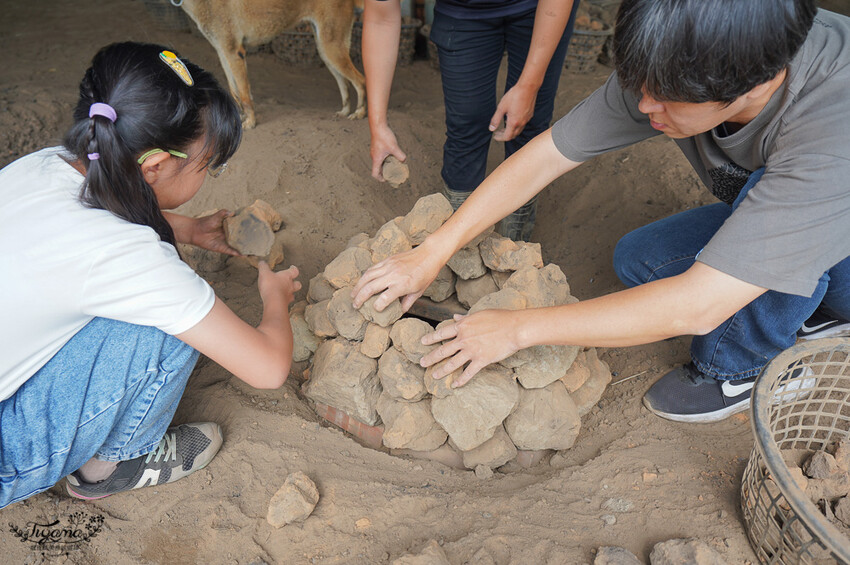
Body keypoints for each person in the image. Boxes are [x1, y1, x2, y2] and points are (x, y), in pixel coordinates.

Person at [352, 0, 850, 424]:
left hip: (838, 222)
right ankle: (812, 307)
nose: (646, 107)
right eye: (641, 87)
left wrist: (516, 329)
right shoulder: (679, 61)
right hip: (803, 206)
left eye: (667, 101)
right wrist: (435, 248)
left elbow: (698, 304)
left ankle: (742, 371)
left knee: (768, 206)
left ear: (752, 87)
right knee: (642, 260)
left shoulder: (830, 131)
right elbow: (549, 154)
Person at [0, 42, 301, 508]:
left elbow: (103, 208)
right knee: (173, 318)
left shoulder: (44, 164)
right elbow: (269, 368)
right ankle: (109, 467)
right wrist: (275, 297)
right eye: (208, 166)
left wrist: (188, 228)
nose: (209, 175)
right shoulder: (126, 257)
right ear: (156, 166)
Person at [362, 0, 578, 241]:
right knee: (466, 125)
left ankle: (514, 249)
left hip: (540, 8)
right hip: (463, 14)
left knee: (528, 125)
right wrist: (378, 125)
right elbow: (381, 18)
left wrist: (530, 84)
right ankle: (460, 247)